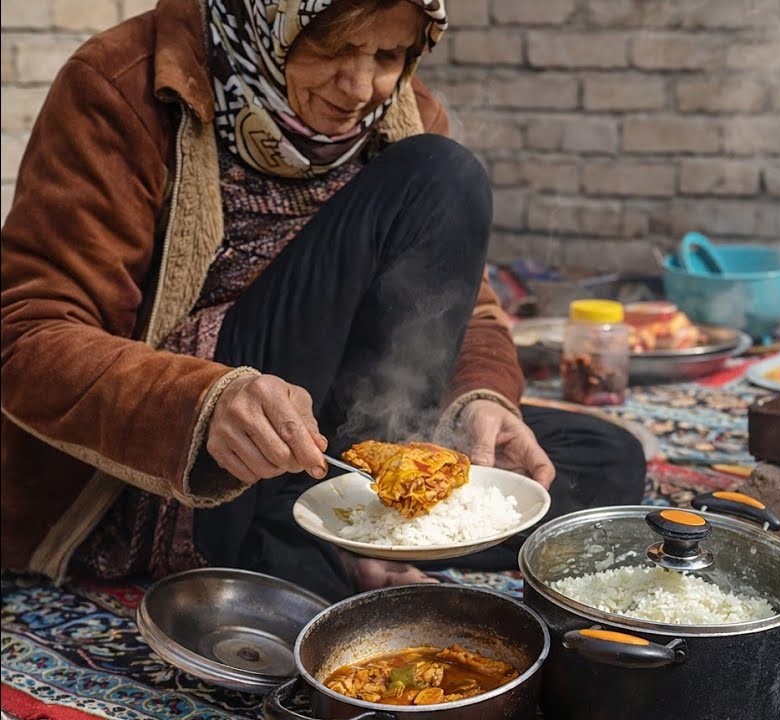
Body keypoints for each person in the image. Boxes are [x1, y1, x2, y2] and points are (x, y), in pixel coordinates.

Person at [0, 0, 645, 602]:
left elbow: (462, 306)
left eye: (389, 57)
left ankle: (339, 531)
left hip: (328, 438)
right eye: (334, 46)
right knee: (442, 178)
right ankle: (276, 537)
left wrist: (479, 398)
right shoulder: (122, 87)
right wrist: (203, 402)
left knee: (602, 469)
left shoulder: (403, 109)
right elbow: (27, 334)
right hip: (186, 460)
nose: (362, 88)